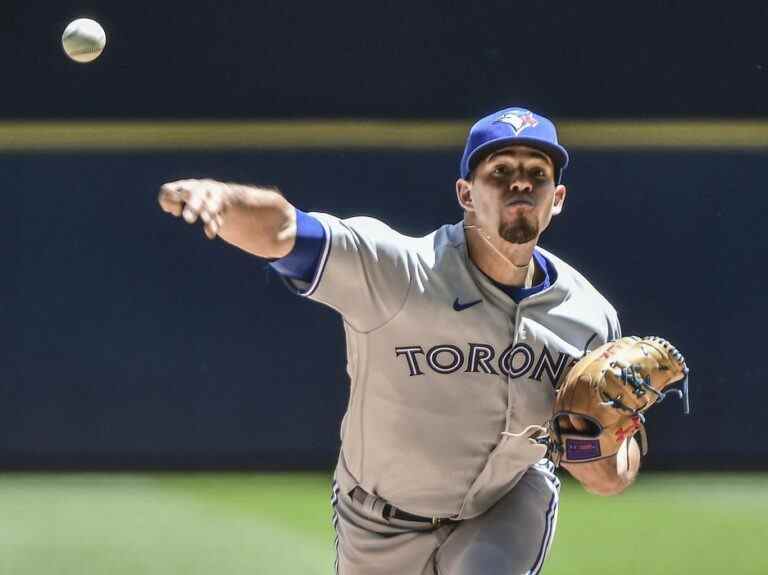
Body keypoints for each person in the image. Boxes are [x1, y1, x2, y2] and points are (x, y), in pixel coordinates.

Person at [158, 107, 640, 575]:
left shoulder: (588, 318)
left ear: (556, 198)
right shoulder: (399, 270)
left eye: (537, 172)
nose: (520, 183)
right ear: (466, 193)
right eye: (500, 170)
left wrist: (602, 449)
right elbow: (286, 228)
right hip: (376, 520)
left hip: (505, 502)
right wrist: (221, 198)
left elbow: (609, 473)